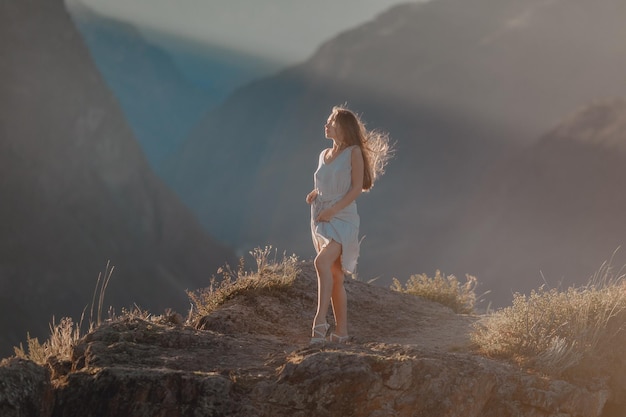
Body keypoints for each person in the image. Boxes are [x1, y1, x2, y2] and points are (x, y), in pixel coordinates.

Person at [306, 105, 393, 344]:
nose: (326, 124)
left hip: (342, 219)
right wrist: (315, 194)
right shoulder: (323, 154)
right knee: (334, 275)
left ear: (343, 127)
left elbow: (356, 188)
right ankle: (341, 333)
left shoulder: (354, 152)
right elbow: (328, 183)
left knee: (321, 262)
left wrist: (333, 209)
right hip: (321, 216)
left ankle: (319, 325)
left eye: (331, 122)